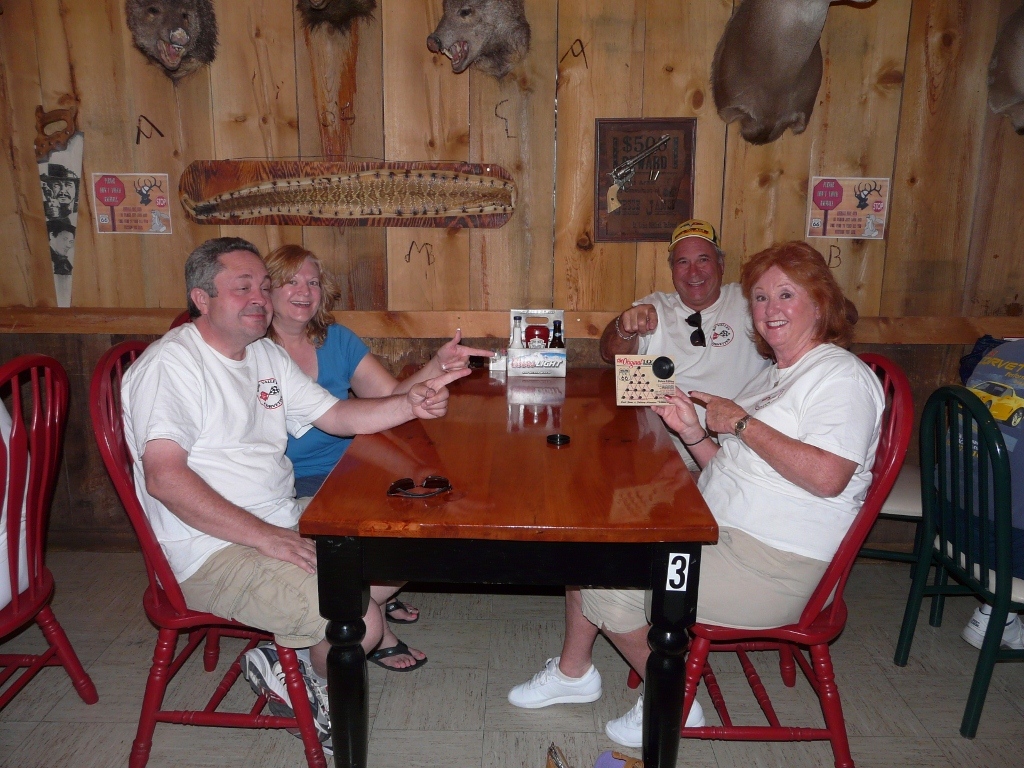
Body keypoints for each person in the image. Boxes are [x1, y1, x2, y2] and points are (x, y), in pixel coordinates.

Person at [509, 241, 885, 749]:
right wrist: (692, 432)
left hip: (774, 564)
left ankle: (672, 698)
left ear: (820, 303)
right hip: (724, 533)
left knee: (600, 575)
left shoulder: (840, 376)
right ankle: (576, 675)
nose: (770, 309)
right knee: (596, 540)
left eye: (785, 295)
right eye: (759, 297)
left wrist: (742, 423)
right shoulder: (776, 377)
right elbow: (730, 470)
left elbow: (828, 477)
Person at [121, 238, 469, 751]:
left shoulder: (262, 353)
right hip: (210, 549)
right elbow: (165, 479)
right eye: (243, 289)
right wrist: (266, 537)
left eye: (263, 286)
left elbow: (337, 415)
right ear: (202, 298)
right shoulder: (171, 366)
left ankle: (291, 658)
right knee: (362, 623)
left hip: (278, 515)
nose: (259, 298)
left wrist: (411, 402)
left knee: (402, 540)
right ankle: (309, 677)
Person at [262, 243, 493, 667]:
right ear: (267, 290)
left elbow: (389, 397)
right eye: (291, 280)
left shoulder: (336, 339)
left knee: (430, 514)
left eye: (313, 281)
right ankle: (370, 619)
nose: (304, 290)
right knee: (396, 535)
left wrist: (437, 367)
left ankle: (369, 605)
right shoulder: (254, 352)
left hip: (355, 462)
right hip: (296, 480)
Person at [599, 219, 768, 469]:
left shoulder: (749, 300)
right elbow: (609, 354)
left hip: (737, 444)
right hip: (664, 445)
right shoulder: (655, 306)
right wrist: (625, 327)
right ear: (672, 271)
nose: (693, 272)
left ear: (721, 265)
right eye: (682, 262)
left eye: (703, 259)